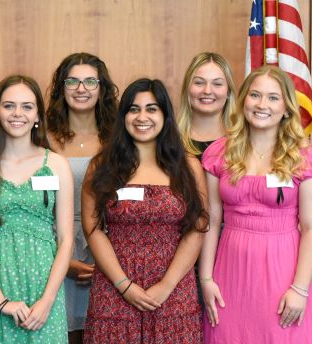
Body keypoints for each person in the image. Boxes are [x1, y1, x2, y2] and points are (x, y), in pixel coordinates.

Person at [200, 66, 312, 344]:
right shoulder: (218, 152)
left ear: (286, 108)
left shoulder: (305, 156)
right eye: (255, 95)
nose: (261, 105)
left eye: (272, 98)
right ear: (243, 99)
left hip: (283, 273)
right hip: (228, 272)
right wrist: (206, 279)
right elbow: (210, 219)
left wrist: (300, 288)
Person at [82, 79, 207, 343]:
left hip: (174, 291)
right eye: (133, 109)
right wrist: (123, 285)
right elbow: (93, 229)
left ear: (165, 115)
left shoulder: (188, 166)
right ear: (123, 115)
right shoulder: (102, 165)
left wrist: (167, 285)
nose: (142, 117)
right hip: (114, 289)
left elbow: (198, 229)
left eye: (151, 109)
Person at [0, 75, 73, 344]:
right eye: (9, 105)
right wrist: (1, 302)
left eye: (27, 106)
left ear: (37, 115)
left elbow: (66, 239)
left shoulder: (57, 165)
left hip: (43, 291)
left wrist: (47, 301)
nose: (17, 114)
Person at [44, 52, 117, 344]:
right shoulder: (41, 137)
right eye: (72, 80)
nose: (81, 88)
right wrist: (62, 259)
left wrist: (106, 260)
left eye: (90, 81)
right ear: (62, 87)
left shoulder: (118, 138)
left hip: (107, 248)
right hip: (50, 247)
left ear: (102, 89)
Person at [176, 52, 237, 159]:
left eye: (217, 84)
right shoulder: (169, 140)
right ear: (187, 88)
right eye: (199, 83)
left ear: (228, 91)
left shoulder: (241, 140)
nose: (207, 91)